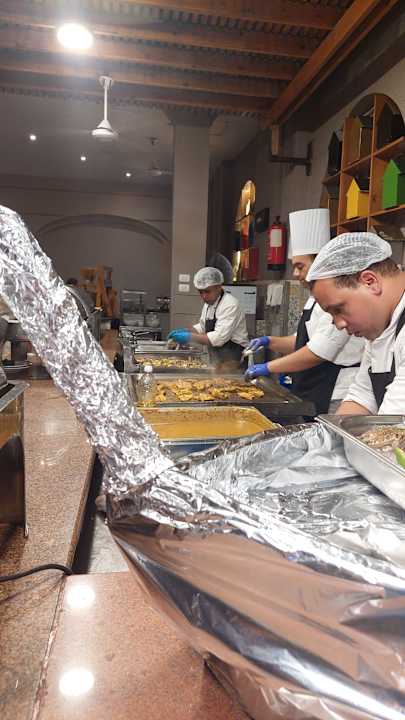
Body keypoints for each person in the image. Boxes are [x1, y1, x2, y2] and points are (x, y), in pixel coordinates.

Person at [245, 209, 365, 414]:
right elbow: (302, 341)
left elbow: (317, 352)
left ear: (319, 264)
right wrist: (269, 341)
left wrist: (268, 367)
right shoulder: (313, 299)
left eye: (300, 266)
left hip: (335, 391)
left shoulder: (338, 302)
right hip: (313, 384)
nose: (295, 273)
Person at [306, 232, 405, 415]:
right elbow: (363, 396)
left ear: (370, 282)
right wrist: (331, 430)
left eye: (338, 309)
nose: (339, 324)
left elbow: (396, 421)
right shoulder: (379, 329)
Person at [168, 266, 249, 369]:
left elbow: (218, 338)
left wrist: (189, 337)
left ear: (219, 287)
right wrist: (185, 331)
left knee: (226, 379)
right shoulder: (209, 303)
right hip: (218, 358)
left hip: (234, 359)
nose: (204, 296)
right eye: (200, 292)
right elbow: (203, 327)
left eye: (207, 291)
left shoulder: (230, 304)